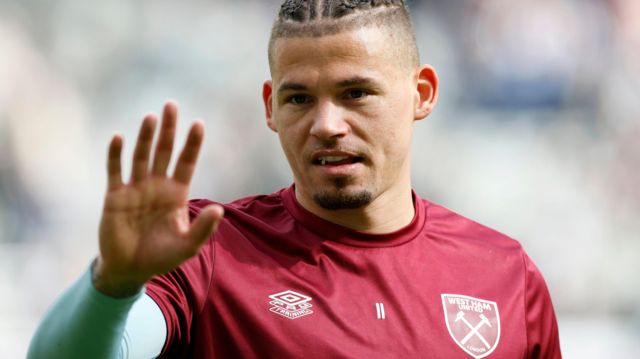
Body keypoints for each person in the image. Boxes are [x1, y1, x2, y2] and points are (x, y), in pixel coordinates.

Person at [28, 0, 561, 358]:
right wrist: (112, 286)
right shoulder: (208, 248)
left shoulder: (504, 274)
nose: (326, 125)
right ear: (270, 106)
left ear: (421, 93)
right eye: (299, 98)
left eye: (356, 93)